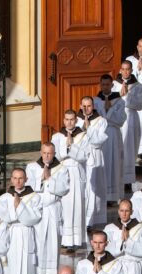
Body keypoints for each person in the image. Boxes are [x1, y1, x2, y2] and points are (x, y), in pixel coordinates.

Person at [0, 169, 42, 274]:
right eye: (15, 178)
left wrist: (19, 207)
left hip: (26, 234)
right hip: (11, 236)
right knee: (11, 272)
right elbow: (2, 216)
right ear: (11, 179)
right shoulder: (4, 197)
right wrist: (17, 212)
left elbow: (34, 218)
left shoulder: (34, 196)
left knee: (26, 272)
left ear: (26, 179)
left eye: (21, 178)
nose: (18, 181)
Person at [26, 142, 71, 274]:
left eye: (50, 153)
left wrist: (50, 179)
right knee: (39, 244)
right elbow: (29, 186)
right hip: (39, 210)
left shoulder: (62, 169)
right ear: (41, 152)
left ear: (54, 153)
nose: (46, 156)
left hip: (53, 210)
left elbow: (64, 189)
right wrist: (41, 179)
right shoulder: (32, 167)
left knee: (53, 243)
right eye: (44, 153)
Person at [51, 110, 89, 251]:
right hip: (63, 172)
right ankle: (64, 238)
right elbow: (55, 156)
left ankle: (75, 239)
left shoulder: (82, 135)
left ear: (76, 120)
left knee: (77, 204)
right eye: (67, 119)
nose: (69, 122)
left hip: (76, 172)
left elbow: (84, 156)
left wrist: (72, 146)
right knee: (64, 206)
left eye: (72, 119)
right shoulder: (57, 136)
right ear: (63, 120)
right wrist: (66, 147)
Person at [77, 95, 110, 227]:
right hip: (80, 157)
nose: (86, 109)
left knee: (94, 188)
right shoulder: (76, 119)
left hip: (95, 156)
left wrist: (88, 128)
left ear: (93, 106)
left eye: (89, 106)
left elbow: (98, 141)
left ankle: (92, 219)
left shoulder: (101, 121)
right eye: (83, 106)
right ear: (80, 107)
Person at [112, 60, 142, 191]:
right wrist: (119, 95)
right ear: (120, 70)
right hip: (116, 120)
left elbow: (140, 104)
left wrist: (126, 97)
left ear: (131, 70)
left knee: (129, 150)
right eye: (123, 69)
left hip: (131, 120)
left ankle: (127, 181)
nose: (125, 72)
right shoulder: (114, 85)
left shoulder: (138, 86)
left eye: (128, 69)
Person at [94, 80, 126, 208]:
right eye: (103, 84)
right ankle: (101, 194)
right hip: (100, 135)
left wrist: (108, 111)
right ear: (100, 85)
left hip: (113, 135)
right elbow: (94, 118)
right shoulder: (95, 101)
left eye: (108, 84)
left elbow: (121, 120)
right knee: (102, 163)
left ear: (112, 86)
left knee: (114, 163)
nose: (105, 87)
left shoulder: (119, 101)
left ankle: (112, 196)